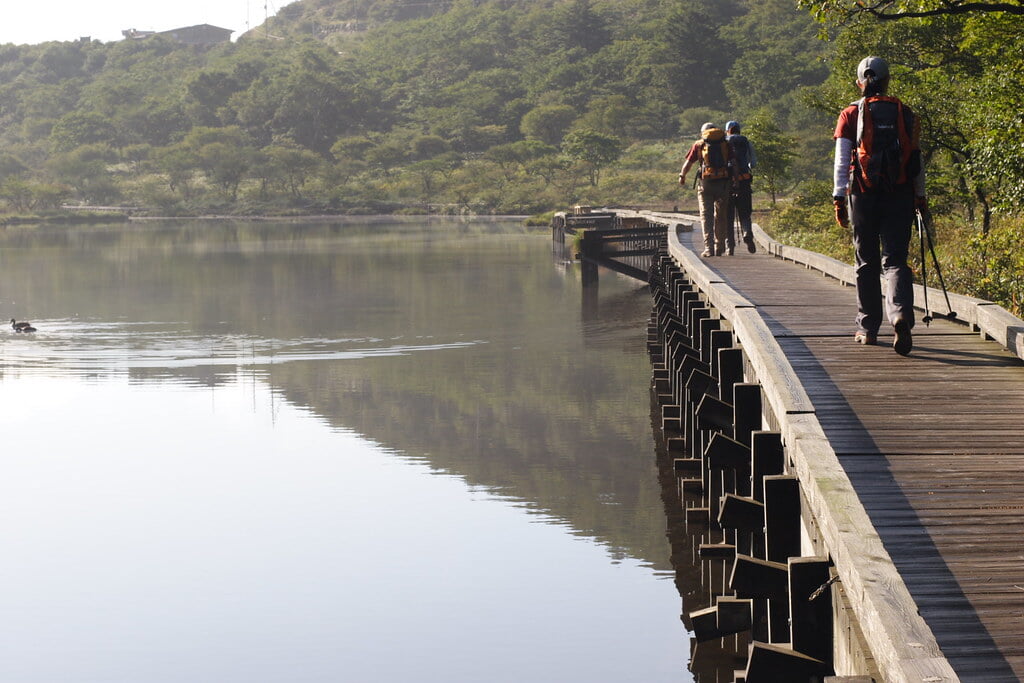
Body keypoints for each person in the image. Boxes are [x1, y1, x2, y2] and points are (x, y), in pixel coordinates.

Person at [833, 56, 927, 356]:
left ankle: (868, 328)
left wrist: (838, 196)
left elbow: (841, 160)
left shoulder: (850, 114)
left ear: (860, 82)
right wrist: (919, 196)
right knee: (896, 260)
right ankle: (899, 315)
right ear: (887, 81)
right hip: (899, 193)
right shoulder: (906, 113)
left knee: (866, 262)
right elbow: (916, 160)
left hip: (863, 193)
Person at [679, 122, 736, 257]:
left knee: (706, 215)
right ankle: (720, 246)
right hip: (723, 183)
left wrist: (682, 175)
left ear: (702, 132)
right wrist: (736, 181)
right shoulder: (726, 144)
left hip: (706, 183)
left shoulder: (699, 144)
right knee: (721, 215)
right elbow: (734, 163)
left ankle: (708, 248)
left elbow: (689, 163)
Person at [725, 120, 757, 254]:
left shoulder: (723, 143)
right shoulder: (746, 141)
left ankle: (730, 246)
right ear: (739, 130)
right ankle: (746, 231)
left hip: (727, 183)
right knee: (745, 213)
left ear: (728, 130)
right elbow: (753, 163)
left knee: (728, 215)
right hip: (744, 181)